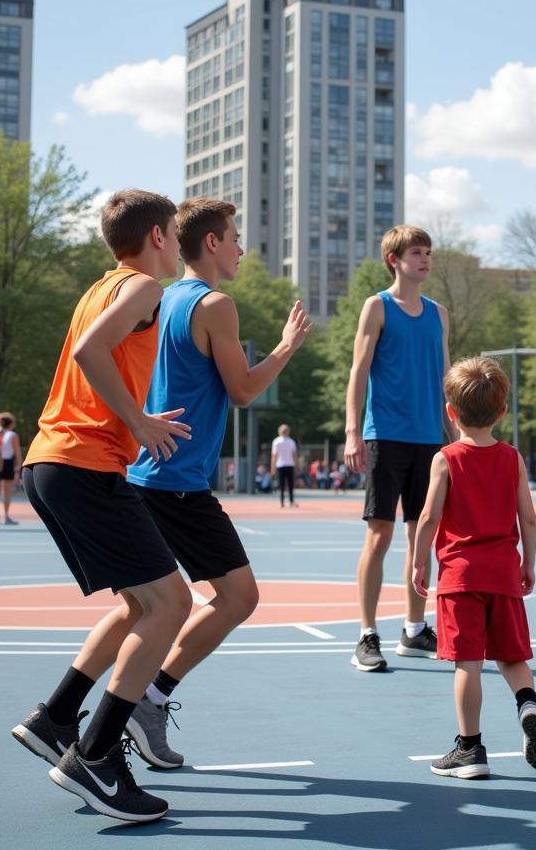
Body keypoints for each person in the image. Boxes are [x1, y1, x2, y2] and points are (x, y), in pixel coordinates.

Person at [10, 189, 191, 824]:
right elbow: (91, 354)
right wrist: (138, 420)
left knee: (142, 605)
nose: (175, 239)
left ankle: (58, 717)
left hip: (54, 462)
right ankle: (95, 755)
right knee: (173, 602)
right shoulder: (143, 288)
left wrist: (135, 420)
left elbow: (93, 355)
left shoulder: (103, 286)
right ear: (159, 237)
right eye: (173, 229)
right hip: (81, 465)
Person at [124, 199, 311, 769]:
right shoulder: (214, 305)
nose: (241, 248)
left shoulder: (158, 298)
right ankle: (146, 699)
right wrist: (285, 346)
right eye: (234, 237)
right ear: (211, 243)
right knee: (239, 597)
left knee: (144, 611)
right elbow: (243, 390)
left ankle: (75, 715)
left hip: (141, 472)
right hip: (177, 481)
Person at [412, 357, 536, 778]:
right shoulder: (512, 458)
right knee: (512, 656)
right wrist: (529, 563)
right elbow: (528, 517)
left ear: (451, 412)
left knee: (468, 662)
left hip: (460, 576)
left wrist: (418, 563)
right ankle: (529, 704)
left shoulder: (446, 459)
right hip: (504, 572)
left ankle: (470, 749)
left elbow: (428, 518)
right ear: (502, 412)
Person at [344, 225, 455, 672]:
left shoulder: (439, 313)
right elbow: (358, 371)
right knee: (380, 535)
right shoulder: (378, 306)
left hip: (430, 438)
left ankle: (413, 628)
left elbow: (447, 378)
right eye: (417, 252)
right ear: (395, 259)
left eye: (428, 252)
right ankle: (367, 635)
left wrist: (457, 435)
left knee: (420, 535)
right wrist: (353, 431)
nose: (425, 259)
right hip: (385, 435)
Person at [0, 412, 22, 525]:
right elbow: (17, 453)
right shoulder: (12, 435)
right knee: (6, 492)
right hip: (7, 463)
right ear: (10, 424)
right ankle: (6, 516)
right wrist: (18, 468)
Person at [271, 423, 298, 507]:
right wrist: (296, 465)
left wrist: (273, 467)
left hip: (280, 465)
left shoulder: (276, 441)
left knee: (281, 485)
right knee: (290, 485)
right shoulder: (291, 441)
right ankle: (291, 501)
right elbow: (294, 455)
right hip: (290, 465)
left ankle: (282, 502)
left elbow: (274, 456)